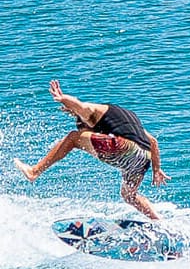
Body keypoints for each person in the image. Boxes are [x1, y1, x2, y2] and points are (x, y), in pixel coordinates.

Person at [14, 80, 169, 219]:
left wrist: (63, 99)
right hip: (143, 159)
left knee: (74, 137)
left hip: (124, 148)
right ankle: (157, 221)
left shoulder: (95, 112)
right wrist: (156, 169)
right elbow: (153, 142)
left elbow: (81, 106)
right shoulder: (126, 119)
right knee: (128, 195)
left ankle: (34, 172)